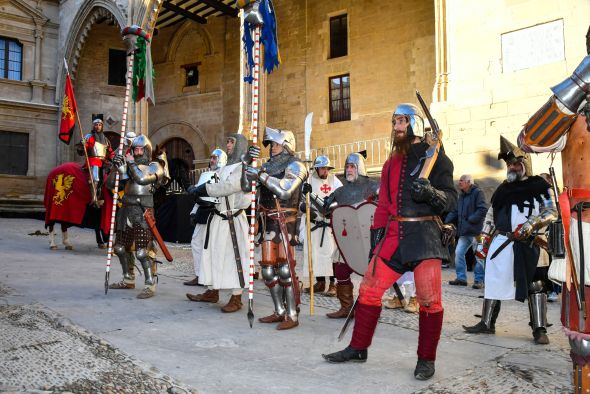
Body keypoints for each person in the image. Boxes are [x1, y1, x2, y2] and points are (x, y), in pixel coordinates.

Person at [322, 103, 456, 381]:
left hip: (424, 236)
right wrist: (375, 242)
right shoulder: (390, 163)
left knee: (429, 300)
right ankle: (359, 348)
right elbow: (383, 205)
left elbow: (450, 200)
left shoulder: (438, 159)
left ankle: (426, 359)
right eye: (394, 121)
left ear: (414, 125)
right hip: (393, 237)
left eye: (402, 121)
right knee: (369, 289)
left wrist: (430, 193)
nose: (396, 127)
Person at [463, 136, 557, 345]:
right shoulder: (503, 189)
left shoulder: (540, 186)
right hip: (503, 242)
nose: (512, 167)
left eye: (516, 163)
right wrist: (483, 240)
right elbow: (491, 215)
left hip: (531, 242)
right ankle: (487, 323)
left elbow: (551, 211)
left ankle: (539, 328)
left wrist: (531, 225)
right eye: (509, 164)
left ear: (525, 164)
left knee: (536, 284)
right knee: (493, 280)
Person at [241, 127, 308, 330]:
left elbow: (285, 190)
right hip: (268, 220)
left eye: (277, 144)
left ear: (287, 145)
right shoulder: (267, 166)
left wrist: (260, 176)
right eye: (271, 144)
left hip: (286, 221)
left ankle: (292, 315)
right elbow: (245, 187)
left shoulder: (296, 165)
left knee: (286, 270)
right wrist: (246, 165)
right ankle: (279, 310)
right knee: (268, 271)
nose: (272, 148)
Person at [304, 152, 379, 318]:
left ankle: (371, 308)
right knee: (340, 269)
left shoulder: (374, 187)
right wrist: (311, 194)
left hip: (370, 239)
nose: (349, 170)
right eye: (347, 167)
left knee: (375, 274)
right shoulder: (341, 191)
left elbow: (383, 208)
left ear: (360, 168)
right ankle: (346, 307)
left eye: (352, 166)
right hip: (348, 239)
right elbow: (325, 210)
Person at [186, 134, 250, 312]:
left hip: (233, 220)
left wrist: (202, 189)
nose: (228, 145)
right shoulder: (225, 168)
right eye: (228, 141)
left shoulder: (243, 168)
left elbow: (227, 187)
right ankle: (212, 291)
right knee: (213, 255)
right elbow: (214, 187)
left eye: (231, 142)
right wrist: (200, 193)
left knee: (233, 257)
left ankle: (236, 297)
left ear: (239, 146)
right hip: (218, 218)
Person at [106, 135, 166, 299]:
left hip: (143, 211)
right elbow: (110, 184)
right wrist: (115, 166)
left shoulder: (155, 166)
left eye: (141, 149)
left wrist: (130, 163)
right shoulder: (129, 166)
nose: (138, 152)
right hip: (126, 209)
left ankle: (150, 284)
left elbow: (141, 179)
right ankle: (128, 278)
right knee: (119, 248)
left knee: (142, 251)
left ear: (147, 150)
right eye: (135, 149)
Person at [299, 155, 343, 297]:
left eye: (327, 168)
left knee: (330, 256)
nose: (325, 171)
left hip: (328, 224)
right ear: (316, 169)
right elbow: (301, 201)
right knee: (315, 255)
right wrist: (306, 208)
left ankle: (332, 284)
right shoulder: (308, 181)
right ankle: (320, 282)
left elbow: (341, 196)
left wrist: (333, 209)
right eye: (323, 168)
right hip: (314, 224)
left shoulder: (334, 180)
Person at [184, 148, 228, 286]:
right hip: (203, 213)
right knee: (196, 243)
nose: (212, 160)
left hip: (216, 214)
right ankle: (199, 275)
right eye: (212, 158)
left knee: (213, 248)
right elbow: (199, 194)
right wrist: (193, 212)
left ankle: (213, 277)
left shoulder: (225, 176)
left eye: (215, 158)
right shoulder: (206, 175)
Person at [445, 174, 487, 289]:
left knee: (479, 256)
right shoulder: (461, 196)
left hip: (477, 232)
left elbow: (482, 209)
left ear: (469, 182)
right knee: (459, 253)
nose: (459, 183)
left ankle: (479, 280)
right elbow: (455, 211)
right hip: (464, 232)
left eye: (462, 181)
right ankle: (461, 278)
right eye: (459, 181)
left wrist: (471, 219)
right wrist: (445, 221)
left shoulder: (478, 193)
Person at [77, 116, 113, 206]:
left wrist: (113, 158)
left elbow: (110, 152)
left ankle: (102, 196)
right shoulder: (89, 137)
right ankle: (94, 199)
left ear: (102, 126)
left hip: (103, 162)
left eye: (100, 125)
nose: (98, 126)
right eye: (96, 125)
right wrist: (83, 145)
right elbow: (81, 150)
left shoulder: (105, 139)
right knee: (96, 179)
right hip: (93, 160)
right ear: (93, 126)